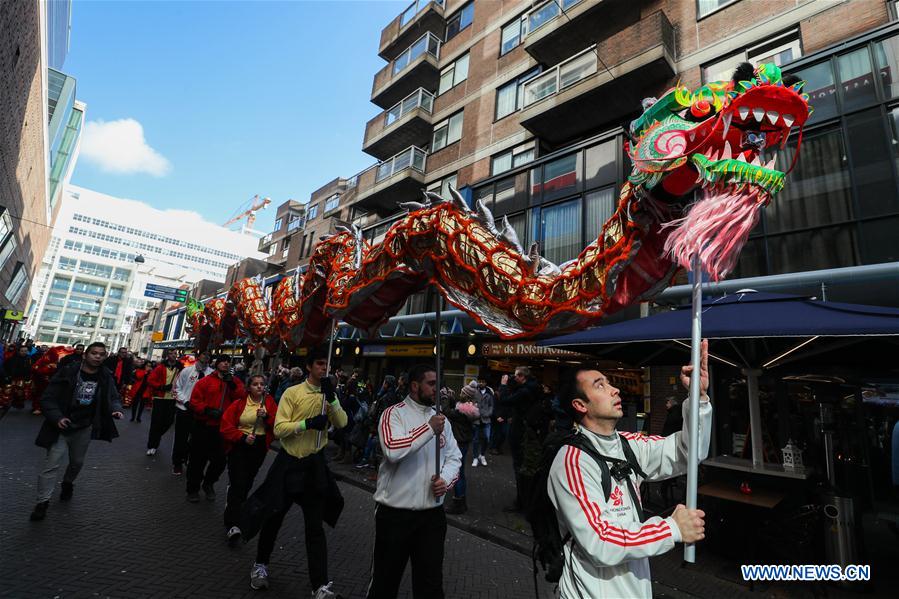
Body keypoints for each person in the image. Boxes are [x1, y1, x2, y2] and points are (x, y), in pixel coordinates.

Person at [547, 340, 712, 598]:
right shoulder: (571, 462)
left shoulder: (629, 445)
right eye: (600, 385)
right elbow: (599, 541)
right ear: (580, 405)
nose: (614, 389)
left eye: (609, 382)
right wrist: (671, 528)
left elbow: (688, 452)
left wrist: (698, 398)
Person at [244, 346, 347, 598]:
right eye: (320, 363)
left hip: (314, 466)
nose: (325, 368)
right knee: (273, 516)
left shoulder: (329, 395)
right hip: (290, 463)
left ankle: (320, 585)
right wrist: (307, 423)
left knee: (315, 527)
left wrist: (332, 399)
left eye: (327, 364)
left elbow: (343, 423)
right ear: (310, 366)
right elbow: (279, 429)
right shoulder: (293, 392)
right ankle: (260, 565)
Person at [366, 364, 462, 599]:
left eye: (439, 384)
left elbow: (454, 457)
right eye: (431, 384)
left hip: (431, 516)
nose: (437, 390)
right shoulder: (393, 414)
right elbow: (392, 450)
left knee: (430, 585)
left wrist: (446, 480)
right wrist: (429, 429)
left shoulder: (442, 421)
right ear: (414, 386)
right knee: (385, 582)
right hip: (395, 514)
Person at [29, 342, 124, 521]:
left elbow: (113, 396)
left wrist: (115, 409)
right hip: (62, 427)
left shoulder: (105, 376)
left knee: (77, 462)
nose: (97, 357)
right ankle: (42, 502)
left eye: (101, 354)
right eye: (94, 353)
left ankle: (68, 483)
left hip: (84, 427)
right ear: (85, 355)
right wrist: (58, 417)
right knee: (51, 464)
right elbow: (48, 398)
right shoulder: (69, 371)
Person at [220, 374, 277, 544]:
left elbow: (277, 425)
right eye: (255, 384)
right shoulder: (239, 404)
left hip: (258, 447)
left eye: (262, 384)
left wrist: (266, 417)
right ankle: (233, 524)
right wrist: (241, 437)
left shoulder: (269, 403)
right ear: (248, 387)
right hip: (240, 445)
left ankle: (235, 509)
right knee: (238, 483)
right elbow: (225, 426)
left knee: (247, 482)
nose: (259, 387)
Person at [187, 355, 245, 502]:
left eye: (228, 362)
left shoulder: (234, 381)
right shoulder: (205, 381)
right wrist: (207, 410)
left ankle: (209, 483)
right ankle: (193, 489)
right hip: (204, 426)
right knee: (197, 460)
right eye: (223, 361)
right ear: (217, 364)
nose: (226, 363)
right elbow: (194, 401)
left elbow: (242, 397)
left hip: (222, 428)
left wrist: (232, 385)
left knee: (220, 461)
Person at [498, 366, 540, 511]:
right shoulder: (533, 388)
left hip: (520, 431)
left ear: (523, 377)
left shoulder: (524, 392)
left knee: (519, 466)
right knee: (524, 466)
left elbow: (504, 400)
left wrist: (503, 385)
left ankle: (522, 503)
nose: (513, 378)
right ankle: (524, 501)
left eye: (516, 376)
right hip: (527, 430)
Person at [171, 351, 213, 475]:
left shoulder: (211, 374)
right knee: (181, 438)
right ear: (199, 356)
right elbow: (176, 388)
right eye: (204, 354)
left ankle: (188, 458)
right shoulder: (186, 371)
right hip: (185, 409)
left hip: (200, 412)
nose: (206, 357)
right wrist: (186, 402)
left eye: (208, 356)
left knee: (196, 439)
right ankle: (177, 463)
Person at [444, 383, 479, 515]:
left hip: (459, 442)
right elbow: (454, 408)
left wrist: (446, 397)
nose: (460, 393)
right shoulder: (469, 408)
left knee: (457, 473)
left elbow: (447, 411)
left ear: (465, 395)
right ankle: (461, 501)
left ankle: (458, 502)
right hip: (464, 442)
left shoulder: (463, 411)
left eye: (462, 392)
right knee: (461, 472)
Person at [145, 349, 183, 457]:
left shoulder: (180, 368)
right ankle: (152, 445)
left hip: (172, 399)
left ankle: (156, 436)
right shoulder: (160, 368)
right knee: (156, 422)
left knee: (169, 421)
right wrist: (161, 387)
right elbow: (150, 380)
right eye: (171, 353)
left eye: (175, 354)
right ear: (167, 355)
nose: (173, 355)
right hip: (160, 398)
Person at [471, 378, 494, 467]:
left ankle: (482, 455)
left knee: (487, 439)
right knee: (475, 440)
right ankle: (475, 457)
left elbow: (491, 405)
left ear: (485, 383)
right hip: (476, 420)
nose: (480, 383)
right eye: (479, 381)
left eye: (482, 382)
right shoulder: (474, 392)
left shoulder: (489, 393)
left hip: (486, 419)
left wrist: (488, 414)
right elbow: (471, 403)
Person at [4, 345, 34, 411]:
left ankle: (18, 404)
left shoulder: (29, 359)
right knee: (9, 391)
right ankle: (5, 404)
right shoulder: (12, 358)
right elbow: (6, 367)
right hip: (12, 378)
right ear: (19, 351)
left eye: (25, 351)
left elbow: (30, 369)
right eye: (22, 351)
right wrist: (7, 376)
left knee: (20, 393)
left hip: (23, 378)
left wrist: (29, 377)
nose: (24, 352)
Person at [128, 358, 152, 422]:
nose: (148, 367)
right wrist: (145, 371)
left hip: (145, 390)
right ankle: (133, 417)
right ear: (144, 365)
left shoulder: (151, 372)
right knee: (135, 404)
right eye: (147, 365)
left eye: (150, 366)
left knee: (142, 405)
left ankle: (138, 417)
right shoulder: (139, 370)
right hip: (138, 389)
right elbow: (139, 377)